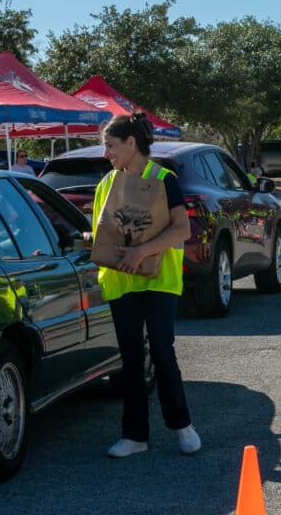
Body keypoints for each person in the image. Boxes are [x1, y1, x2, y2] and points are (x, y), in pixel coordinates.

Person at [84, 112, 200, 458]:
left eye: (110, 145)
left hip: (159, 282)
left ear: (132, 143)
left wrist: (142, 252)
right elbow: (103, 232)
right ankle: (134, 435)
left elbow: (182, 230)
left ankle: (182, 426)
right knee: (131, 360)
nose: (106, 153)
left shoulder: (164, 179)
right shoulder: (106, 183)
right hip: (121, 283)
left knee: (163, 353)